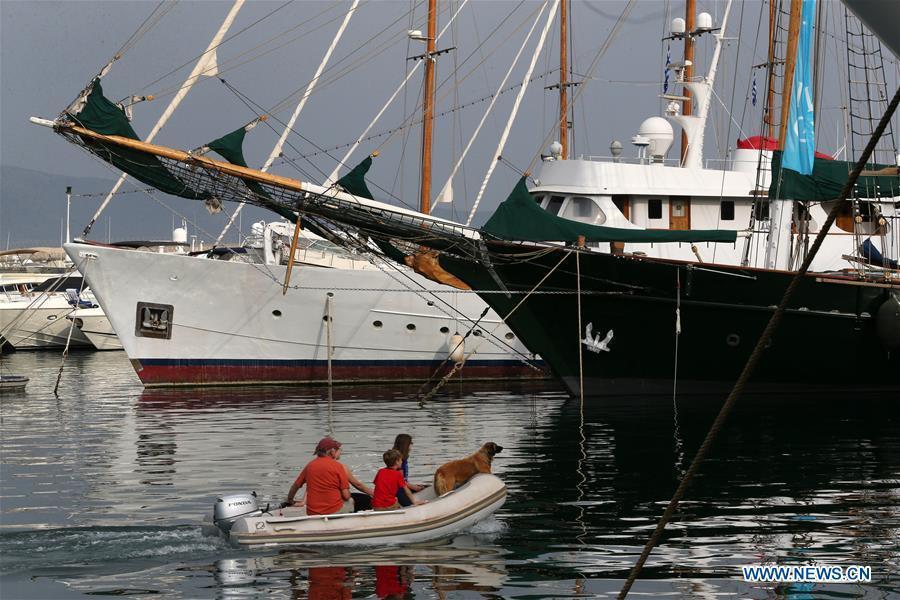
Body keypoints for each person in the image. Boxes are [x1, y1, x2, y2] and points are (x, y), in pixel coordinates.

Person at [285, 437, 351, 515]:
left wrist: (290, 500)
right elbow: (346, 496)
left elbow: (295, 486)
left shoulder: (310, 466)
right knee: (351, 501)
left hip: (312, 512)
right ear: (332, 451)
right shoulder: (338, 466)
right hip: (333, 511)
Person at [392, 433, 426, 507]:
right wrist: (414, 487)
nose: (411, 446)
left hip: (403, 488)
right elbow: (400, 481)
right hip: (399, 491)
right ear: (405, 445)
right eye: (410, 443)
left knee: (425, 487)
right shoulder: (398, 462)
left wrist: (415, 487)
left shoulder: (402, 459)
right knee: (411, 506)